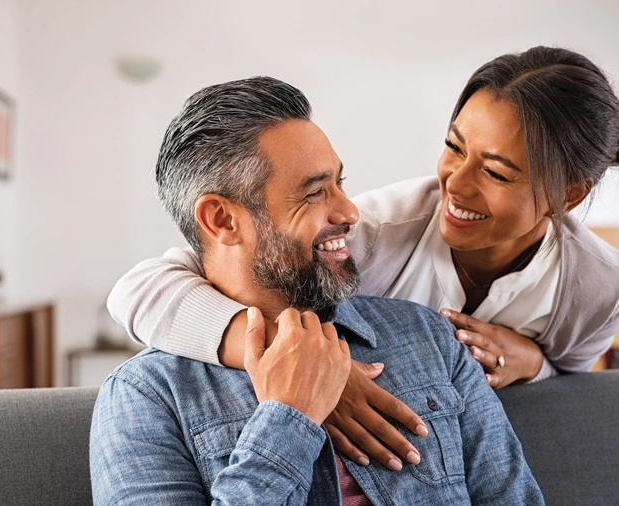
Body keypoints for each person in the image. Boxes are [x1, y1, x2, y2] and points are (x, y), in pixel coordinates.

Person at [107, 46, 619, 469]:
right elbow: (141, 290)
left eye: (497, 172)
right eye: (454, 146)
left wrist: (535, 364)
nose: (454, 185)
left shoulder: (599, 288)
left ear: (568, 196)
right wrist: (305, 365)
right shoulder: (374, 232)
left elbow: (572, 381)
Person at [89, 76, 544, 505]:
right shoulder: (145, 397)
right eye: (313, 194)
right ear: (222, 220)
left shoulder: (430, 338)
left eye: (339, 183)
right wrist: (288, 418)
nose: (349, 211)